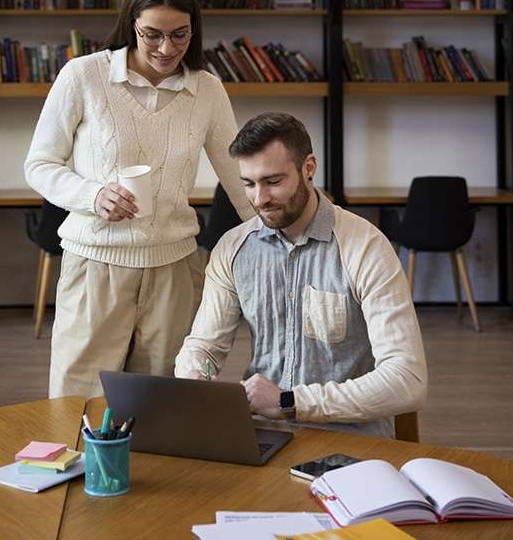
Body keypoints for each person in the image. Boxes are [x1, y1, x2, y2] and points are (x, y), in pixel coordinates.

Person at [24, 0, 253, 399]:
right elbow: (39, 164)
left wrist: (290, 235)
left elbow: (240, 180)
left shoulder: (206, 89)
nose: (167, 48)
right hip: (96, 265)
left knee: (163, 403)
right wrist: (93, 194)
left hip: (175, 268)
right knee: (80, 403)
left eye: (180, 34)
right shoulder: (84, 76)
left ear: (194, 30)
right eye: (153, 34)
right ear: (132, 24)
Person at [175, 112, 428, 436]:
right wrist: (196, 376)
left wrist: (290, 401)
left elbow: (408, 380)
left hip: (350, 440)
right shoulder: (233, 249)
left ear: (309, 168)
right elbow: (203, 347)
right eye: (249, 184)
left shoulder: (366, 247)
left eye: (273, 182)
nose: (259, 199)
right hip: (263, 434)